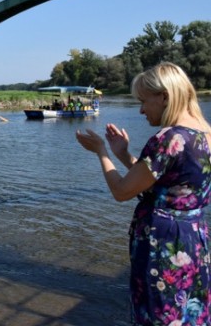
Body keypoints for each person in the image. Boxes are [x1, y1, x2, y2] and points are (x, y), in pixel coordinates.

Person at [75, 62, 211, 325]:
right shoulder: (205, 134)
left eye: (143, 101)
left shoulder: (168, 138)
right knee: (189, 313)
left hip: (163, 244)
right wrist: (124, 154)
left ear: (164, 96)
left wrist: (101, 152)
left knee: (160, 312)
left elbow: (122, 191)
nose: (140, 110)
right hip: (194, 240)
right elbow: (165, 185)